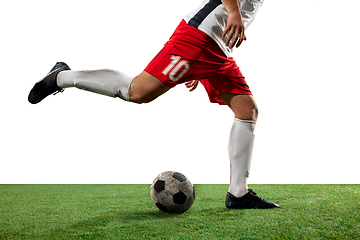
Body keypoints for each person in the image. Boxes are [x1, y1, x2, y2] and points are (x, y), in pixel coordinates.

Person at [28, 0, 279, 209]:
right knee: (138, 92)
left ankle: (238, 194)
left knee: (247, 110)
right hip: (200, 38)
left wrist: (198, 71)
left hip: (220, 50)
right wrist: (233, 11)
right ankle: (62, 76)